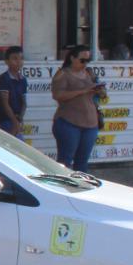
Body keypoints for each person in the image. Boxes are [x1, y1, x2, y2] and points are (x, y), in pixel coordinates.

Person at [51, 45, 103, 173]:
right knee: (65, 161)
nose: (85, 63)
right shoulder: (63, 73)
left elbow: (101, 94)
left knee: (82, 163)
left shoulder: (89, 73)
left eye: (87, 60)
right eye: (82, 60)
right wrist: (83, 91)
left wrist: (100, 91)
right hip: (69, 122)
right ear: (72, 58)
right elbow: (58, 95)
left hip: (90, 124)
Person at [0, 46, 28, 138]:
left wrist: (19, 119)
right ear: (7, 61)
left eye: (21, 58)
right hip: (5, 120)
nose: (19, 62)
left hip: (17, 120)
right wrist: (14, 121)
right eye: (15, 58)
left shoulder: (23, 79)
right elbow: (5, 103)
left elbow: (24, 103)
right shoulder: (4, 78)